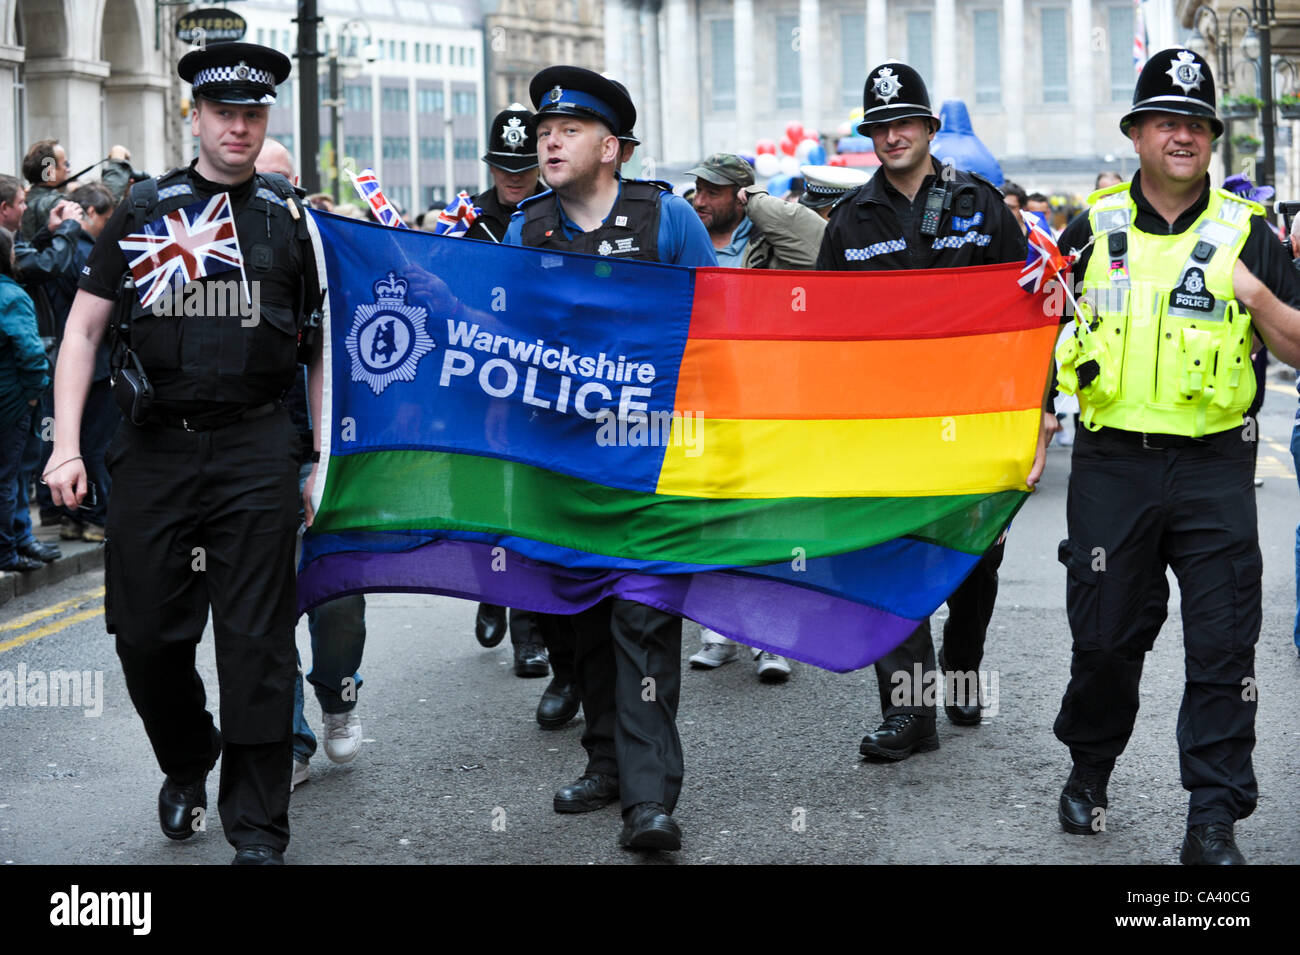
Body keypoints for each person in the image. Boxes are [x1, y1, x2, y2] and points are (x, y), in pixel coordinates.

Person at [46, 41, 321, 865]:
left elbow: (321, 351)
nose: (239, 127)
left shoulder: (290, 220)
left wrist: (319, 460)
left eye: (253, 113)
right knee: (146, 635)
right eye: (224, 113)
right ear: (193, 117)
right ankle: (187, 756)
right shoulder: (143, 210)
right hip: (156, 448)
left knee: (258, 645)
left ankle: (259, 830)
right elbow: (84, 329)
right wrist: (65, 446)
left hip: (257, 447)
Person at [1052, 47, 1300, 865]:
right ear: (1136, 134)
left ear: (1210, 138)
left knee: (1223, 645)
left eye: (1195, 122)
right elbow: (1029, 335)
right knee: (1105, 639)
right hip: (1111, 466)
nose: (1182, 134)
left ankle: (1212, 819)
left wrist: (1257, 294)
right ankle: (1091, 766)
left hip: (1215, 471)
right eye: (1166, 120)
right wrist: (1026, 433)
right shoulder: (1091, 228)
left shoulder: (1249, 233)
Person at [504, 64, 716, 850]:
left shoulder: (666, 220)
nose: (549, 140)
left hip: (655, 461)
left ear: (612, 148)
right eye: (543, 130)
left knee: (644, 617)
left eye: (568, 130)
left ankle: (650, 799)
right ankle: (606, 764)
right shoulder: (526, 229)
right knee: (583, 618)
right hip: (563, 463)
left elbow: (716, 330)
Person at [817, 60, 1049, 761]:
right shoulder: (848, 221)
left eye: (903, 122)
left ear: (929, 128)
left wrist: (1033, 421)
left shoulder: (981, 205)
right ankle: (908, 713)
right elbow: (823, 332)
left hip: (975, 423)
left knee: (973, 563)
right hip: (886, 428)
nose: (892, 135)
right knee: (894, 563)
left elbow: (1028, 320)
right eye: (880, 126)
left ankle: (964, 660)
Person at [685, 151, 827, 681]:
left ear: (740, 196)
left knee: (771, 515)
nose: (701, 199)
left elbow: (817, 248)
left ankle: (772, 638)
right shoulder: (685, 232)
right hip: (706, 397)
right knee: (713, 511)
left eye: (713, 191)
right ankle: (717, 631)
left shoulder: (771, 242)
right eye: (697, 188)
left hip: (769, 398)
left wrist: (760, 205)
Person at [254, 137, 367, 793]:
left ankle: (339, 695)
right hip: (257, 455)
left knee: (338, 600)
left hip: (332, 452)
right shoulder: (223, 248)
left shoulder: (332, 251)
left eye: (278, 183)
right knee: (266, 606)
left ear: (297, 185)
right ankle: (289, 739)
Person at [460, 103, 558, 696]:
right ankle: (487, 590)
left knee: (527, 506)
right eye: (503, 166)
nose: (513, 177)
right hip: (480, 377)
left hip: (537, 378)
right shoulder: (468, 217)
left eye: (522, 165)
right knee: (480, 502)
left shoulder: (554, 213)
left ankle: (531, 637)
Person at [0, 227, 51, 573]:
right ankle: (7, 551)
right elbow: (32, 355)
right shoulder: (12, 296)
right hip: (12, 402)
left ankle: (18, 539)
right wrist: (35, 395)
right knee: (10, 476)